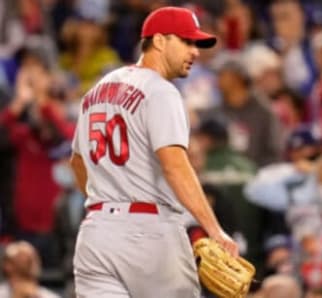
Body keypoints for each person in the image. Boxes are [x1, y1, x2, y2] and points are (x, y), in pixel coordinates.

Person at [69, 6, 238, 298]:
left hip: (96, 235)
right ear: (159, 41)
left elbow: (77, 162)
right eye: (186, 41)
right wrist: (214, 229)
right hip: (150, 234)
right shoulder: (161, 91)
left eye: (196, 43)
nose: (195, 51)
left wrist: (110, 201)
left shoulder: (96, 90)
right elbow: (175, 165)